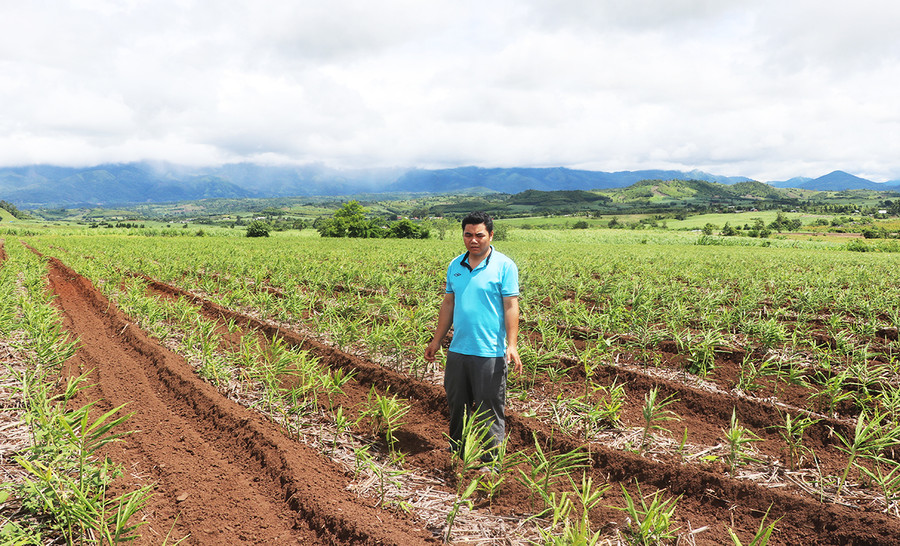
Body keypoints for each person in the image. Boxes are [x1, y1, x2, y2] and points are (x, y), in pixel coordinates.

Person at [424, 211, 521, 463]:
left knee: (489, 408)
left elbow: (511, 306)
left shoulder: (504, 266)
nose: (473, 240)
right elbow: (448, 304)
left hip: (489, 351)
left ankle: (491, 462)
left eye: (479, 235)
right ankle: (457, 452)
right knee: (457, 404)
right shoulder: (455, 265)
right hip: (458, 349)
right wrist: (437, 340)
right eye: (468, 235)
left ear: (490, 235)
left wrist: (512, 345)